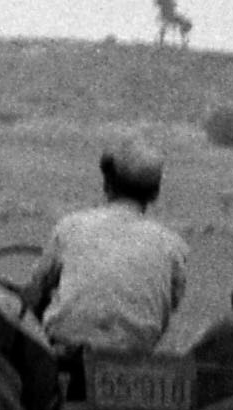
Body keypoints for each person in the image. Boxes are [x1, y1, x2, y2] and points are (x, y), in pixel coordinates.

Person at [34, 135, 191, 353]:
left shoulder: (71, 227)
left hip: (67, 347)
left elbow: (38, 287)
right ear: (155, 194)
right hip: (137, 351)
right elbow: (170, 303)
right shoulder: (173, 246)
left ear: (107, 184)